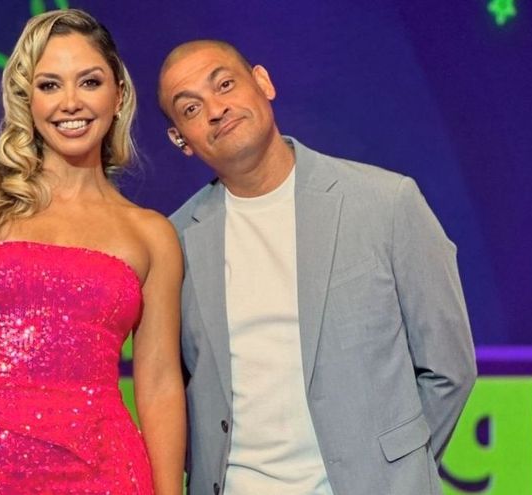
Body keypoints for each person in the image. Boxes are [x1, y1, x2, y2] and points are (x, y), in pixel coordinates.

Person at [158, 40, 476, 495]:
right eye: (191, 108)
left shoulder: (385, 203)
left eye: (225, 84)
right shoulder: (174, 242)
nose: (216, 109)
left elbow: (449, 369)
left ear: (263, 82)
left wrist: (395, 472)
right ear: (180, 140)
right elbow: (169, 390)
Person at [0, 9, 185, 495]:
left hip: (107, 476)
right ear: (27, 99)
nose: (70, 102)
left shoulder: (152, 235)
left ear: (118, 94)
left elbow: (159, 386)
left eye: (90, 82)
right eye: (50, 85)